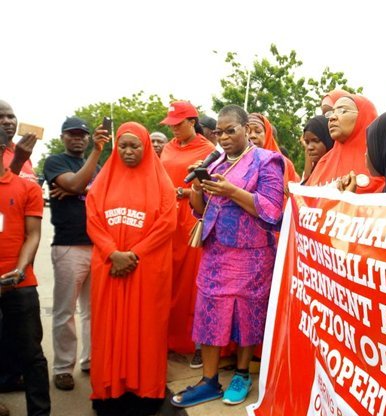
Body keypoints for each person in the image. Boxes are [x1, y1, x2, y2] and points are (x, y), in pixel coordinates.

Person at [171, 104, 284, 408]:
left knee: (246, 315)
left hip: (251, 255)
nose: (223, 137)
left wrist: (231, 191)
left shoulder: (268, 161)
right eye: (219, 132)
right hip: (216, 252)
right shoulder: (217, 161)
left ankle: (242, 374)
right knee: (210, 313)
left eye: (230, 130)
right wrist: (198, 186)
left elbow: (273, 211)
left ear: (247, 129)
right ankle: (208, 381)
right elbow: (200, 208)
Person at [85, 122, 177, 416]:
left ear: (145, 147)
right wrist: (113, 253)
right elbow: (93, 219)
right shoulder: (104, 179)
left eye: (134, 146)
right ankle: (108, 390)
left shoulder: (160, 181)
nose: (127, 151)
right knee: (108, 328)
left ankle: (145, 391)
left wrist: (133, 254)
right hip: (110, 267)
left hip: (146, 269)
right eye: (122, 146)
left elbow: (167, 223)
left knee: (145, 328)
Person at [42, 117, 105, 392]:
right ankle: (63, 368)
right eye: (72, 134)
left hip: (97, 245)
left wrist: (82, 188)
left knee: (93, 311)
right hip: (69, 245)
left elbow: (97, 192)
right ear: (63, 137)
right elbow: (78, 185)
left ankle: (90, 360)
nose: (77, 138)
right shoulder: (56, 162)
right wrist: (82, 186)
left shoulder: (97, 167)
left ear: (88, 137)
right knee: (65, 311)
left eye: (82, 134)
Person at [159, 101, 215, 362]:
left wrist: (182, 192)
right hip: (166, 219)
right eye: (170, 125)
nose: (173, 130)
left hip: (191, 218)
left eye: (177, 124)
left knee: (192, 281)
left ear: (192, 122)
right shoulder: (168, 148)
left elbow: (211, 188)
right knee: (166, 278)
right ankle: (168, 338)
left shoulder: (209, 150)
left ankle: (197, 345)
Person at [0, 127, 50, 416]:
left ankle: (40, 412)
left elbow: (33, 234)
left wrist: (18, 272)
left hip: (20, 284)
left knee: (32, 355)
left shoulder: (26, 188)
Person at [305, 94, 385, 193]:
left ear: (363, 115)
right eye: (331, 113)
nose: (332, 118)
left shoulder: (380, 161)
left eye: (341, 111)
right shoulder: (323, 163)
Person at [248, 113, 300, 188]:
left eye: (258, 131)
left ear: (267, 135)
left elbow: (295, 197)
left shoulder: (285, 164)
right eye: (248, 132)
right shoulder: (233, 163)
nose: (252, 136)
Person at [0, 100, 39, 183]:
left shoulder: (22, 152)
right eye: (0, 117)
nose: (7, 121)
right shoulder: (21, 155)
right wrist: (18, 160)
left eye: (11, 116)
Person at [301, 115, 333, 184]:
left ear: (328, 140)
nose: (309, 147)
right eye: (307, 142)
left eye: (315, 140)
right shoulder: (313, 174)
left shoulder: (338, 176)